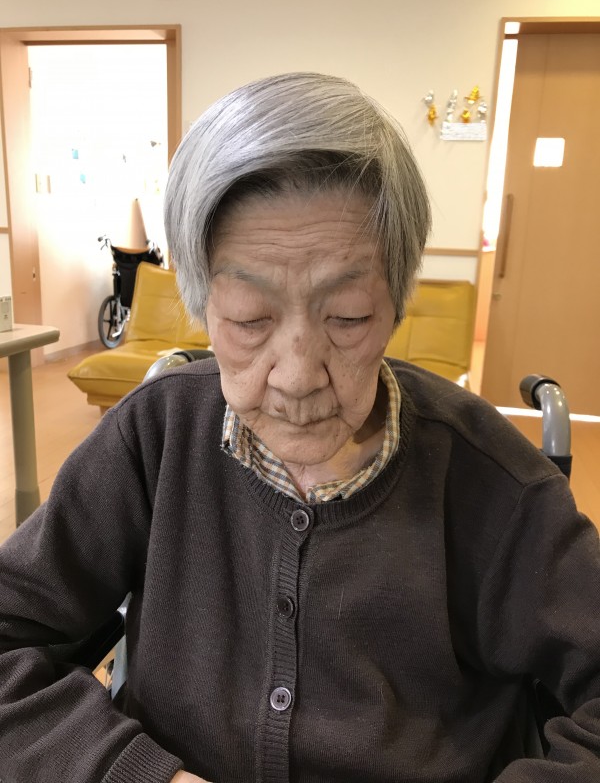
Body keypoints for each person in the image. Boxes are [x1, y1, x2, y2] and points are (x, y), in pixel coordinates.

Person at [0, 72, 599, 783]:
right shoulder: (154, 438)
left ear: (397, 301)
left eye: (347, 317)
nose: (297, 375)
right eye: (249, 321)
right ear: (202, 305)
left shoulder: (493, 481)